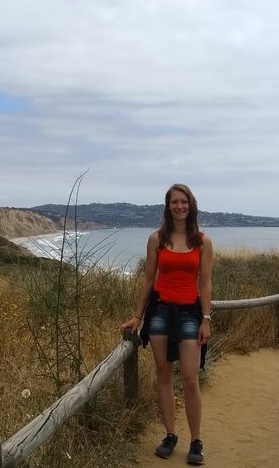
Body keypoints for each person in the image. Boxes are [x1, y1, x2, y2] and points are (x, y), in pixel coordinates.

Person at [120, 183, 214, 465]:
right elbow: (148, 278)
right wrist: (138, 316)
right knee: (163, 374)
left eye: (183, 201)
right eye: (174, 202)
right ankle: (170, 434)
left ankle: (196, 441)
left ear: (191, 204)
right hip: (159, 311)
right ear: (168, 206)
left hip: (189, 314)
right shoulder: (156, 239)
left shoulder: (203, 241)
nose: (179, 206)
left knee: (189, 378)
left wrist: (206, 319)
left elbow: (206, 283)